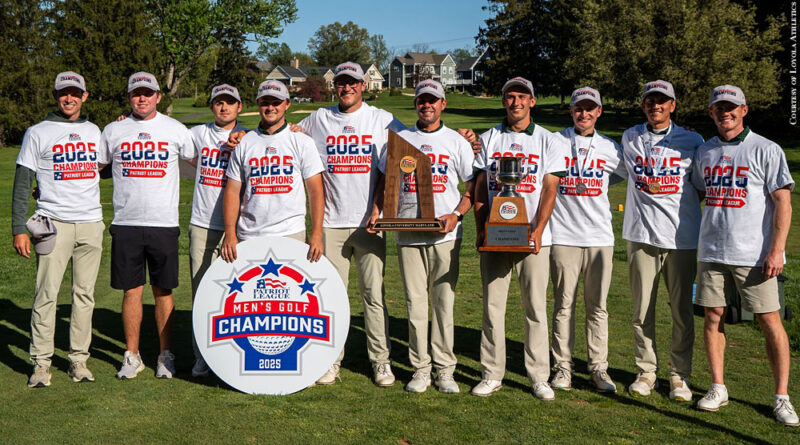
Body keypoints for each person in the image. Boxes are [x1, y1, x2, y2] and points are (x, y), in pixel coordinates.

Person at [692, 85, 798, 426]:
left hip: (754, 255)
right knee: (713, 317)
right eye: (719, 107)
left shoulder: (766, 148)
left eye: (732, 107)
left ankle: (782, 397)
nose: (725, 112)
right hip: (711, 251)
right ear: (711, 112)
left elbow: (783, 203)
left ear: (744, 110)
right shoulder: (705, 151)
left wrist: (776, 250)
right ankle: (718, 387)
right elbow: (698, 192)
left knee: (770, 321)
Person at [295, 62, 405, 386]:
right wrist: (244, 134)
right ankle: (331, 361)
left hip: (369, 224)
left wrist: (464, 139)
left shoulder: (381, 119)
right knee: (331, 298)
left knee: (374, 296)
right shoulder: (320, 118)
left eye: (353, 82)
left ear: (363, 85)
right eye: (341, 83)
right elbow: (288, 132)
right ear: (335, 87)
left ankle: (381, 361)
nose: (347, 88)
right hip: (330, 225)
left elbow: (414, 144)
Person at [371, 80, 474, 393]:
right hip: (408, 235)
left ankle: (445, 369)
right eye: (422, 100)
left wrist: (456, 215)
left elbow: (472, 188)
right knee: (415, 304)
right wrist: (377, 211)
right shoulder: (400, 139)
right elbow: (385, 182)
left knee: (443, 304)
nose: (427, 105)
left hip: (445, 236)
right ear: (415, 104)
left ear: (443, 104)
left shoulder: (456, 141)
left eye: (433, 100)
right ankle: (420, 369)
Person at [471, 77, 567, 399]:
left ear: (532, 101)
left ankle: (539, 376)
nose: (516, 102)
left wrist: (538, 230)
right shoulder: (489, 138)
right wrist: (481, 228)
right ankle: (491, 374)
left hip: (534, 239)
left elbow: (550, 189)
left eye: (522, 96)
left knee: (535, 309)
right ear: (504, 101)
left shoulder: (548, 140)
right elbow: (480, 188)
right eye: (510, 96)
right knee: (492, 308)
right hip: (495, 236)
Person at [97, 71, 195, 380]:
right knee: (131, 291)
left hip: (163, 223)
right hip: (126, 222)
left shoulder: (175, 129)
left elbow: (203, 159)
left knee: (163, 291)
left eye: (148, 93)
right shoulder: (113, 130)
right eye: (136, 93)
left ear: (158, 97)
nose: (142, 98)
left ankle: (165, 355)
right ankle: (132, 355)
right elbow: (93, 167)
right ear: (129, 96)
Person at [13, 71, 104, 387]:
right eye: (64, 93)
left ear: (84, 96)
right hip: (51, 223)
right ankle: (41, 364)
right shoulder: (37, 132)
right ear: (55, 96)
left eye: (75, 93)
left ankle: (78, 360)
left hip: (91, 223)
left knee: (84, 295)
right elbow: (23, 182)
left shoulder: (95, 131)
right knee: (46, 294)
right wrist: (18, 228)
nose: (69, 98)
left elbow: (105, 168)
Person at [621, 80, 704, 400]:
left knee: (681, 311)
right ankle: (647, 371)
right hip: (641, 235)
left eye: (662, 101)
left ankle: (679, 375)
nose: (655, 105)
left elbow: (701, 186)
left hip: (681, 238)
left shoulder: (692, 140)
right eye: (650, 101)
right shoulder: (630, 137)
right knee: (642, 309)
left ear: (672, 105)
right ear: (643, 105)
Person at [548, 87, 624, 393]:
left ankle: (598, 368)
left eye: (590, 108)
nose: (584, 113)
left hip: (599, 237)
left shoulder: (609, 147)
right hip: (563, 236)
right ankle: (562, 367)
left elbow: (620, 175)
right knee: (563, 306)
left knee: (598, 307)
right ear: (571, 110)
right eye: (579, 108)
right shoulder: (555, 140)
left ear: (599, 112)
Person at [220, 80, 324, 264]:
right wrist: (230, 233)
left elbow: (315, 191)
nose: (270, 108)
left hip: (291, 233)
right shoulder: (244, 142)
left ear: (287, 104)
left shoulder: (302, 141)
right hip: (250, 234)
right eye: (265, 103)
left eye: (276, 102)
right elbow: (232, 191)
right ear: (258, 103)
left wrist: (316, 234)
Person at [186, 84, 247, 377]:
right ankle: (201, 354)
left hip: (239, 226)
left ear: (239, 107)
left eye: (229, 102)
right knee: (201, 292)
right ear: (211, 106)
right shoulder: (198, 134)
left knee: (237, 294)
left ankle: (233, 351)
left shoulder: (249, 137)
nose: (224, 107)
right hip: (202, 222)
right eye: (218, 102)